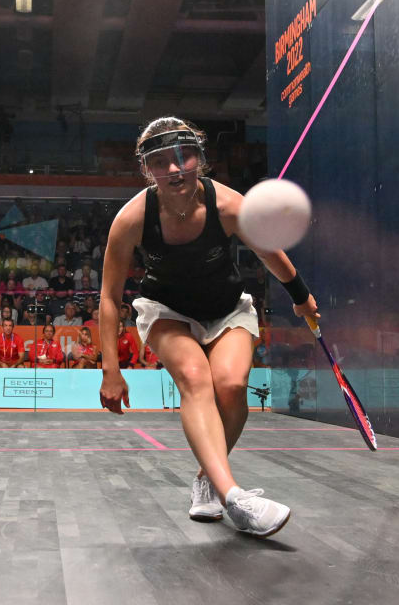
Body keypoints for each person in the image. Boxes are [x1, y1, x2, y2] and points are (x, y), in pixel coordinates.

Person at [98, 116, 318, 537]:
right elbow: (109, 298)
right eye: (161, 161)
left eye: (185, 156)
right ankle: (234, 496)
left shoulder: (229, 206)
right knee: (196, 379)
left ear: (200, 158)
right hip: (166, 312)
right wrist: (111, 369)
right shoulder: (131, 220)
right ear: (147, 169)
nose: (175, 169)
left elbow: (270, 255)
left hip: (227, 308)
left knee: (232, 387)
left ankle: (205, 479)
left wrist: (301, 297)